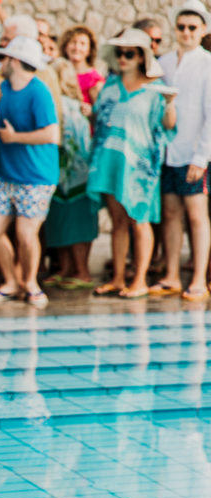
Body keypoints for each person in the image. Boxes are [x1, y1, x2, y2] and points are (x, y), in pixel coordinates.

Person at [88, 30, 176, 299]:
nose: (123, 58)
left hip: (140, 166)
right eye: (119, 53)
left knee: (139, 220)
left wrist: (170, 104)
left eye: (130, 53)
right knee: (117, 221)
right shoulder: (110, 86)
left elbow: (168, 126)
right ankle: (117, 278)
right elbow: (99, 120)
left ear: (142, 57)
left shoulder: (155, 88)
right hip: (110, 160)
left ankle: (139, 280)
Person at [0, 36, 60, 307]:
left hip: (37, 176)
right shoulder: (1, 89)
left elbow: (52, 134)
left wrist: (16, 138)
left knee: (27, 233)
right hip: (6, 173)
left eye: (4, 58)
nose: (1, 63)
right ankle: (11, 280)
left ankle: (31, 283)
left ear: (14, 61)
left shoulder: (39, 92)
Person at [153, 0, 211, 302]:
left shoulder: (207, 65)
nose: (186, 32)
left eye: (192, 27)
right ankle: (172, 274)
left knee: (197, 215)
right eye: (181, 27)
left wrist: (201, 156)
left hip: (194, 153)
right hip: (168, 152)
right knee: (171, 213)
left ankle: (199, 277)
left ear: (203, 30)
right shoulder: (163, 63)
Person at [42, 60, 98, 289]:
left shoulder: (70, 107)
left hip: (74, 174)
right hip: (65, 173)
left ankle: (81, 270)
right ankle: (67, 269)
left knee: (73, 222)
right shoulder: (64, 105)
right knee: (62, 222)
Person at [60, 25, 103, 113]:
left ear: (89, 50)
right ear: (65, 46)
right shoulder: (58, 71)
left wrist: (90, 111)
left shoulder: (94, 79)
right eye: (73, 42)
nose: (77, 47)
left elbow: (100, 112)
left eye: (82, 44)